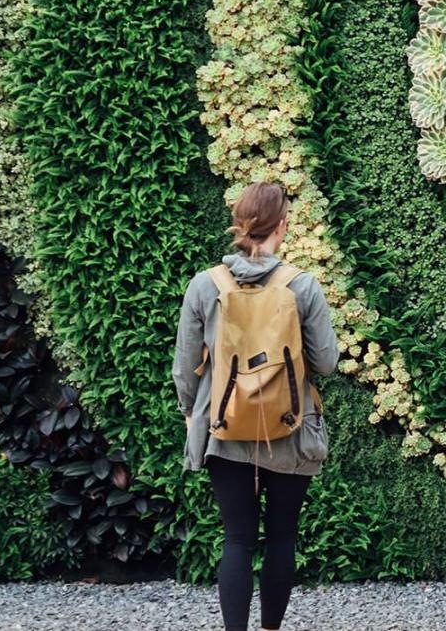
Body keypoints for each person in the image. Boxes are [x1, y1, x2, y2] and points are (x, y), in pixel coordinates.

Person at [172, 182, 336, 631]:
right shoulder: (301, 285)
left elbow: (185, 369)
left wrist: (193, 412)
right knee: (282, 536)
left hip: (223, 425)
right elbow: (326, 362)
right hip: (290, 423)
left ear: (239, 225)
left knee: (238, 538)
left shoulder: (205, 285)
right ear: (282, 225)